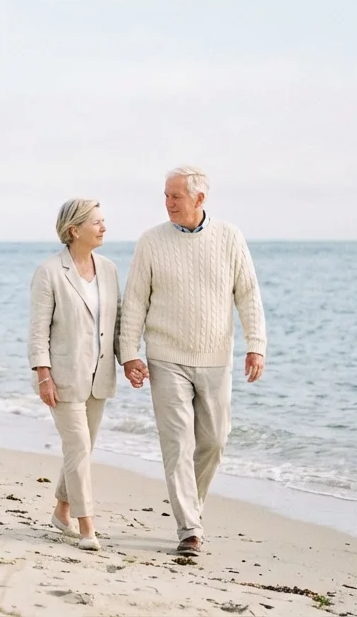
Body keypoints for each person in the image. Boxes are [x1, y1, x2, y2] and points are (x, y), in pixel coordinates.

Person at [119, 166, 267, 555]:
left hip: (217, 358)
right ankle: (189, 530)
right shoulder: (150, 242)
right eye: (166, 196)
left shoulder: (230, 237)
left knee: (214, 441)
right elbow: (134, 299)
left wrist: (257, 344)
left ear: (199, 199)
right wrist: (129, 353)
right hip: (166, 357)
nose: (168, 203)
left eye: (176, 197)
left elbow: (248, 294)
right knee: (177, 444)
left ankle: (192, 510)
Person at [27, 198, 131, 552]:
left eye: (104, 221)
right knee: (79, 447)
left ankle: (61, 511)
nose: (104, 227)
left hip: (99, 377)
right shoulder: (50, 272)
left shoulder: (110, 270)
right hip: (63, 377)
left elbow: (116, 325)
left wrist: (129, 360)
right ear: (74, 230)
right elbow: (38, 330)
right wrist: (43, 375)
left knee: (82, 451)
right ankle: (87, 527)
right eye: (97, 222)